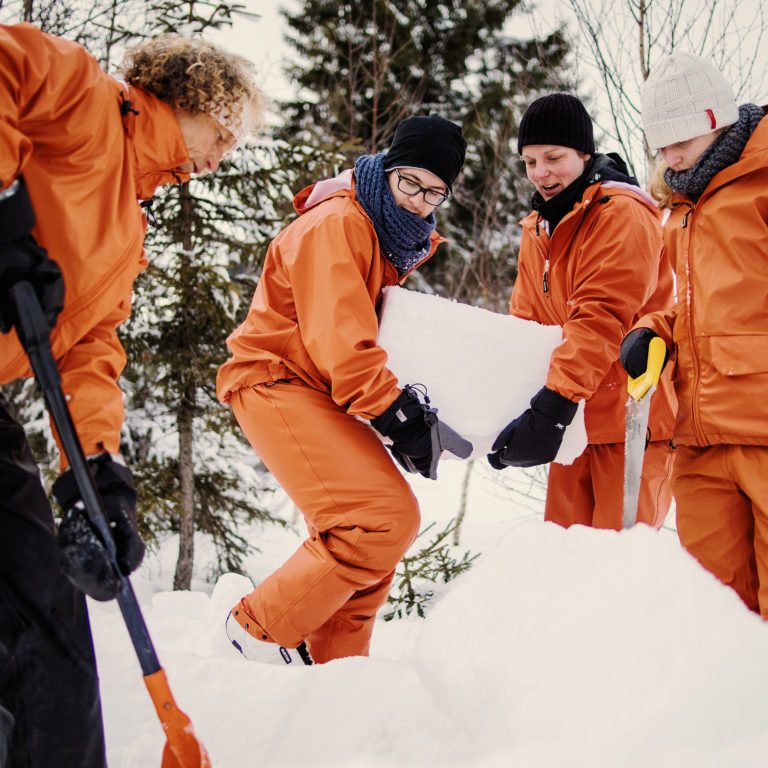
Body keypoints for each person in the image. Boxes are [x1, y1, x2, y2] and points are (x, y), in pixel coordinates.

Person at [0, 24, 263, 767]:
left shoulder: (125, 226)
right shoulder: (85, 100)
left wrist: (99, 476)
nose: (220, 158)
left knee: (46, 620)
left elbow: (87, 353)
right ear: (190, 99)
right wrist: (4, 208)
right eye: (223, 133)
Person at [217, 115, 467, 665]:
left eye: (434, 192)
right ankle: (254, 633)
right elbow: (340, 340)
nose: (419, 202)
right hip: (276, 378)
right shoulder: (340, 224)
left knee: (368, 534)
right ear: (388, 169)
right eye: (410, 183)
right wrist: (394, 413)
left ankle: (338, 672)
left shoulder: (384, 234)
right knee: (380, 520)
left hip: (320, 387)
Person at [487, 93, 677, 530]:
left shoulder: (622, 214)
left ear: (585, 153)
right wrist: (510, 408)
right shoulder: (539, 227)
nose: (541, 173)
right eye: (530, 162)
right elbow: (526, 324)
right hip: (573, 425)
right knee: (566, 568)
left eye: (553, 157)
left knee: (618, 573)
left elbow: (602, 317)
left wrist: (553, 405)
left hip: (631, 422)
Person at [621, 52, 768, 617]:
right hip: (700, 441)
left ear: (715, 119)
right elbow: (695, 304)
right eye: (660, 143)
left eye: (680, 138)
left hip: (761, 432)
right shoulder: (681, 207)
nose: (670, 153)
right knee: (716, 618)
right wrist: (655, 329)